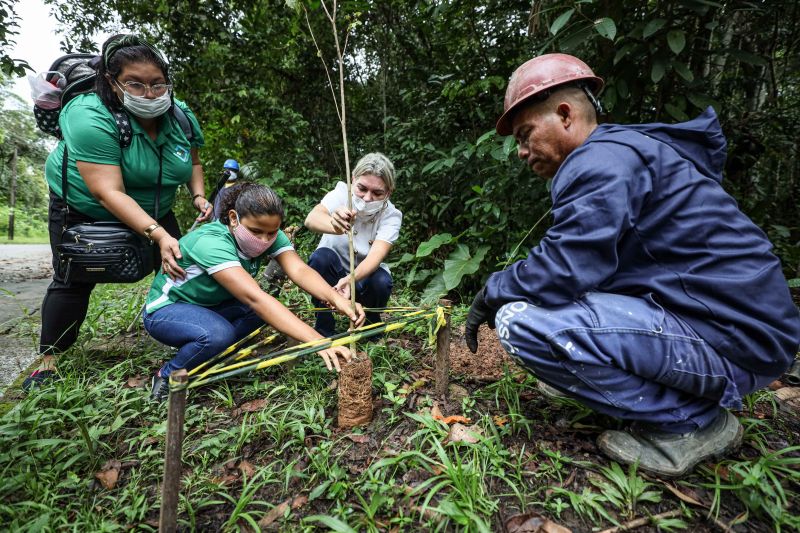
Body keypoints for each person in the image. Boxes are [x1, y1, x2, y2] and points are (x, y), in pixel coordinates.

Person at [465, 53, 800, 477]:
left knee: (520, 320)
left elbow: (563, 268)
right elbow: (590, 268)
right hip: (741, 331)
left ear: (565, 115)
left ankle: (690, 422)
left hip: (731, 341)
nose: (521, 151)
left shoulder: (597, 161)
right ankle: (663, 393)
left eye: (526, 133)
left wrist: (493, 291)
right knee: (558, 321)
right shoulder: (627, 150)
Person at [24, 34, 213, 390]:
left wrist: (199, 197)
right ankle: (49, 360)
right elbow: (107, 191)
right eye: (135, 84)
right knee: (73, 279)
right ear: (112, 81)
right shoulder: (87, 114)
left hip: (155, 206)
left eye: (158, 84)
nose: (149, 94)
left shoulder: (180, 116)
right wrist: (157, 234)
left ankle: (191, 336)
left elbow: (193, 161)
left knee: (180, 269)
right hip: (85, 205)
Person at [143, 182, 365, 401]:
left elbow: (299, 270)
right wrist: (319, 341)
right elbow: (256, 298)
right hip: (166, 310)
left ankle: (212, 352)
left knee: (258, 315)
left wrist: (339, 300)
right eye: (256, 231)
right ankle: (167, 374)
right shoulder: (211, 242)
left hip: (211, 307)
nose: (264, 240)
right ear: (233, 218)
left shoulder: (271, 234)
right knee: (219, 334)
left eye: (271, 233)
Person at [304, 153, 402, 337]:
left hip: (363, 276)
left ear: (389, 192)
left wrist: (351, 279)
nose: (367, 198)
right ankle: (324, 324)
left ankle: (371, 321)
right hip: (332, 275)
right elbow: (311, 219)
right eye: (362, 189)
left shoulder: (392, 215)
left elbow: (376, 255)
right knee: (320, 258)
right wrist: (334, 224)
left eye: (377, 193)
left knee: (381, 281)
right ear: (353, 180)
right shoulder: (341, 194)